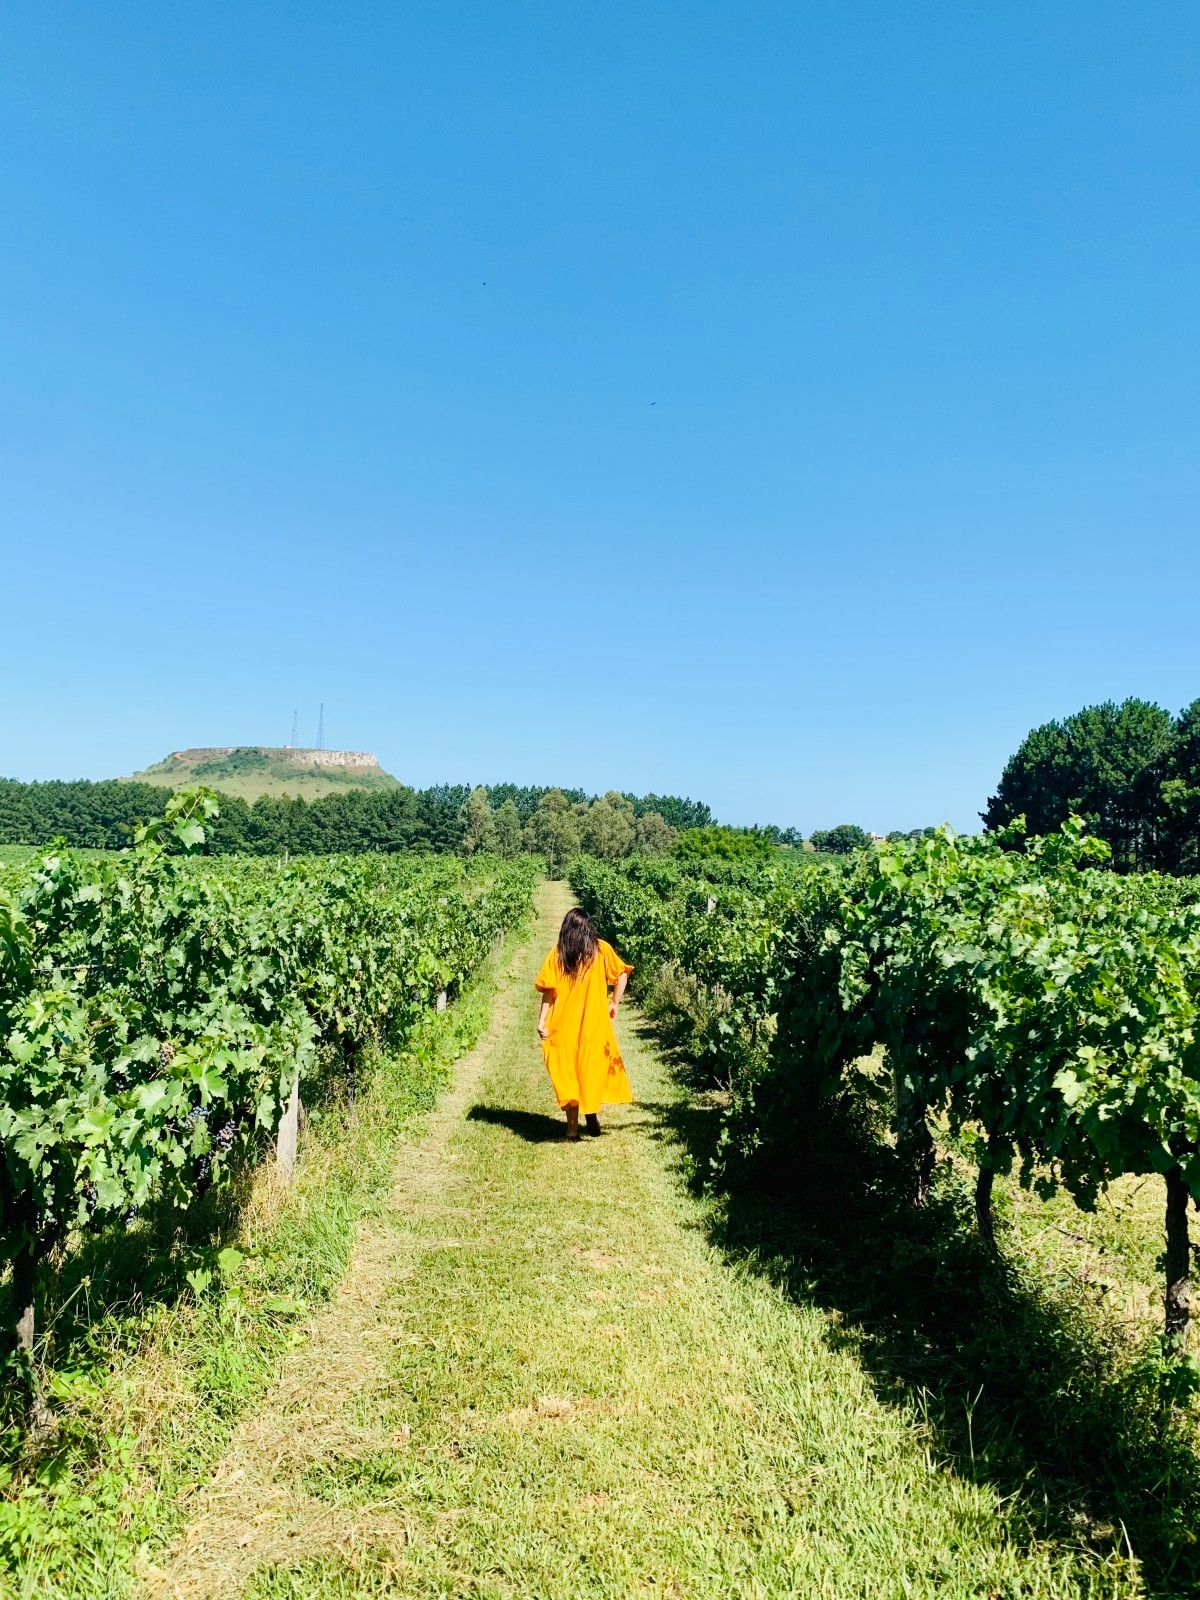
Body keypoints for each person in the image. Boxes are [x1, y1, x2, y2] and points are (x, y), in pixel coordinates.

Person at [534, 908, 633, 1140]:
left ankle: (571, 1128)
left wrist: (542, 1022)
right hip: (594, 1026)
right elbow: (622, 975)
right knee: (591, 1069)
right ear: (588, 928)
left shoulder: (558, 955)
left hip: (563, 1026)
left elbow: (548, 992)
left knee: (567, 1072)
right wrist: (614, 1002)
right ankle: (591, 1113)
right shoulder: (600, 950)